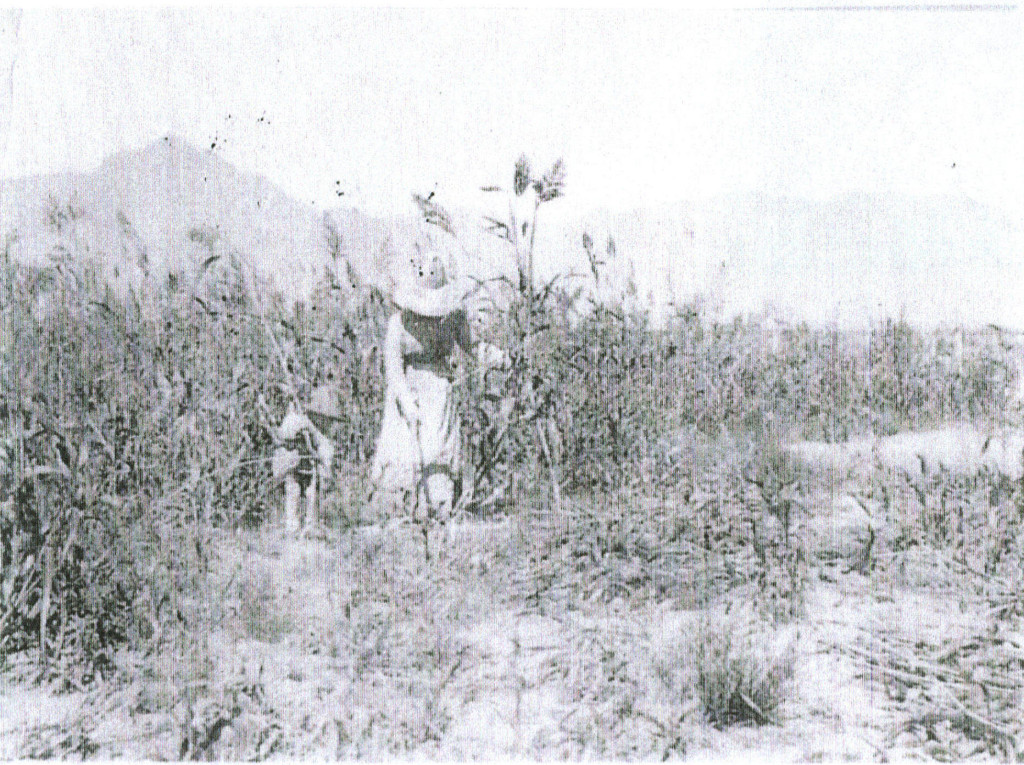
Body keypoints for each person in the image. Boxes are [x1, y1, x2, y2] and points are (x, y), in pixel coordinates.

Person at [370, 226, 505, 520]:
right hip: (408, 390)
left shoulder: (451, 317)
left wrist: (500, 359)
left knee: (438, 451)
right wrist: (405, 399)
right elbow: (393, 368)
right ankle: (402, 511)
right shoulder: (399, 324)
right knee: (404, 453)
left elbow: (473, 346)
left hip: (439, 391)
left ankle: (440, 507)